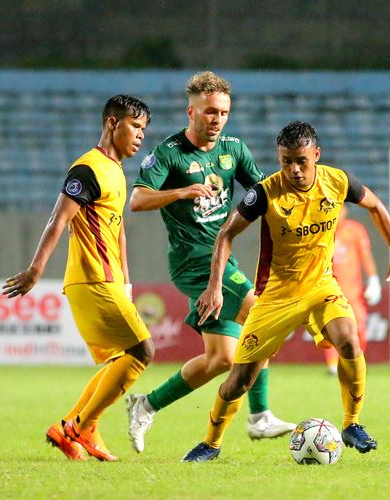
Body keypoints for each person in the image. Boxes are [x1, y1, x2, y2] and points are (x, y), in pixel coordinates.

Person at [182, 121, 390, 462]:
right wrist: (215, 285)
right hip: (276, 295)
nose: (294, 169)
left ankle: (352, 423)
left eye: (301, 160)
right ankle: (211, 443)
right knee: (241, 379)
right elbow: (226, 235)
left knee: (348, 338)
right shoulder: (264, 193)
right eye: (286, 160)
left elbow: (376, 206)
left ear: (316, 155)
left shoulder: (338, 181)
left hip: (321, 285)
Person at [126, 71, 295, 453]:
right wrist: (181, 192)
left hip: (219, 261)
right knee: (261, 315)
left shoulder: (234, 149)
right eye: (209, 112)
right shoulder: (168, 154)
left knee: (220, 359)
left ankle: (145, 404)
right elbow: (136, 201)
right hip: (191, 262)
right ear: (191, 111)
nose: (216, 119)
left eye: (223, 112)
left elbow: (263, 191)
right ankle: (259, 416)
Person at [2, 95, 154, 462]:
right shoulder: (88, 169)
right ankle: (81, 425)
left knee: (121, 358)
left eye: (144, 130)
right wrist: (35, 270)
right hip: (91, 279)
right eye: (135, 127)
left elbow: (117, 232)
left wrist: (127, 283)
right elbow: (59, 220)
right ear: (112, 124)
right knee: (142, 351)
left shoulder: (116, 170)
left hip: (108, 280)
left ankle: (71, 425)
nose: (140, 136)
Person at [323, 203, 382, 374]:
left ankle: (355, 360)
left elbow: (366, 256)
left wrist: (373, 280)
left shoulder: (355, 231)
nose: (337, 214)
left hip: (354, 293)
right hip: (331, 292)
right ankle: (334, 365)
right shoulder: (323, 232)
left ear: (345, 211)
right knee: (331, 327)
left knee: (359, 327)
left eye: (339, 209)